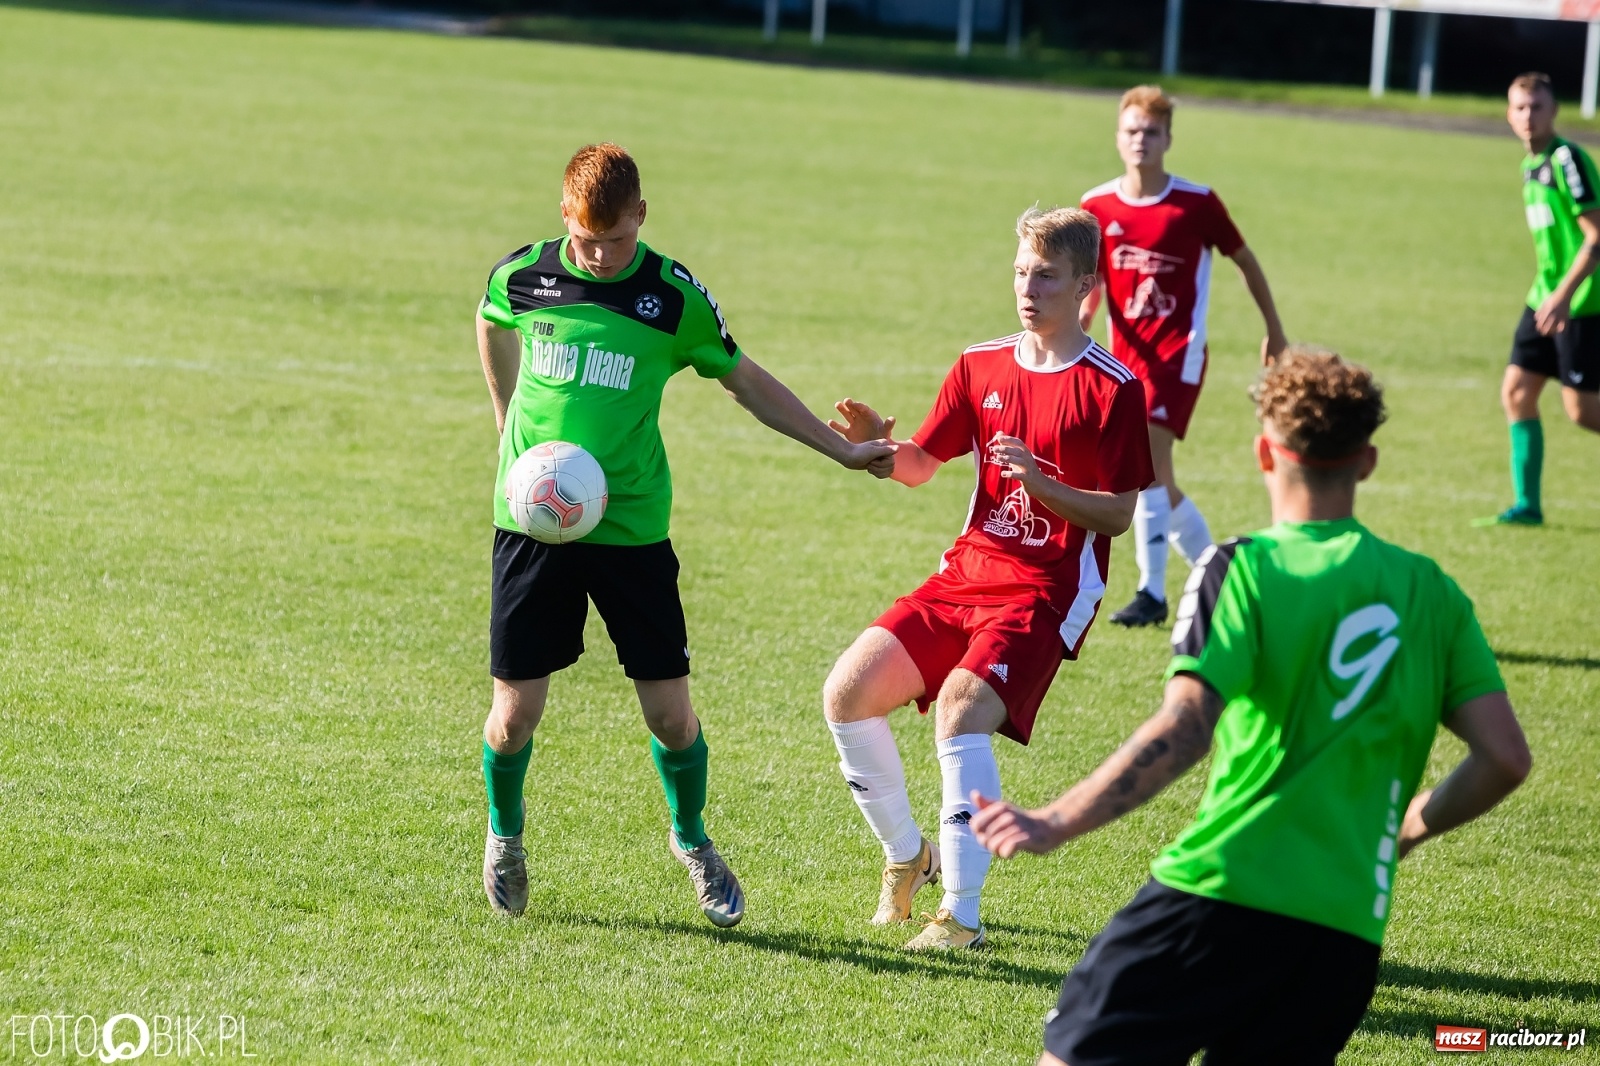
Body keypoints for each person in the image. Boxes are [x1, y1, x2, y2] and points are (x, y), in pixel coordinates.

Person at [972, 350, 1532, 1065]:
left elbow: (1186, 728)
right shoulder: (1434, 593)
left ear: (1264, 453)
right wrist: (1406, 829)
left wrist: (1055, 821)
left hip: (1218, 897)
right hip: (1344, 933)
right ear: (1367, 462)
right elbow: (1505, 757)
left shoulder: (1243, 567)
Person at [476, 143, 895, 924]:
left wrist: (839, 450)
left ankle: (693, 839)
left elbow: (746, 381)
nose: (602, 257)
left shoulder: (671, 299)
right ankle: (505, 835)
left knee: (670, 716)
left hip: (632, 527)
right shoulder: (522, 277)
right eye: (587, 240)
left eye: (617, 239)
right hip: (532, 527)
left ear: (642, 214)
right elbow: (490, 320)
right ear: (564, 215)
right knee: (512, 718)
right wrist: (507, 424)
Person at [822, 207, 1154, 950]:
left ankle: (960, 915)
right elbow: (920, 466)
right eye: (1020, 273)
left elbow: (1118, 514)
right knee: (847, 694)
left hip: (1049, 588)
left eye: (1047, 276)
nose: (1028, 289)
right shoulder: (980, 365)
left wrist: (1041, 484)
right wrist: (881, 449)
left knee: (960, 711)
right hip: (967, 571)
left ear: (1085, 287)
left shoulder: (1113, 388)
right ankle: (909, 857)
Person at [1080, 85, 1288, 627]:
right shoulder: (1097, 206)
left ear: (1168, 138)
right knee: (1158, 480)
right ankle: (1221, 577)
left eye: (1151, 132)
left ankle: (1151, 594)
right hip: (1125, 359)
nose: (1140, 140)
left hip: (1179, 354)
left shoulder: (1195, 204)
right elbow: (1093, 277)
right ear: (1117, 137)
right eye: (1132, 130)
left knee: (1146, 470)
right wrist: (1084, 313)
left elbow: (1246, 261)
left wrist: (1274, 328)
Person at [1483, 72, 1600, 526]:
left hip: (1582, 302)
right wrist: (1551, 296)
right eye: (1520, 107)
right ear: (1509, 114)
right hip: (1544, 298)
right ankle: (1527, 507)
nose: (1528, 116)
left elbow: (1596, 235)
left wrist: (1565, 295)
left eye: (1537, 107)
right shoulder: (1530, 164)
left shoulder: (1568, 161)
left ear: (1554, 111)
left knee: (1583, 412)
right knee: (1517, 391)